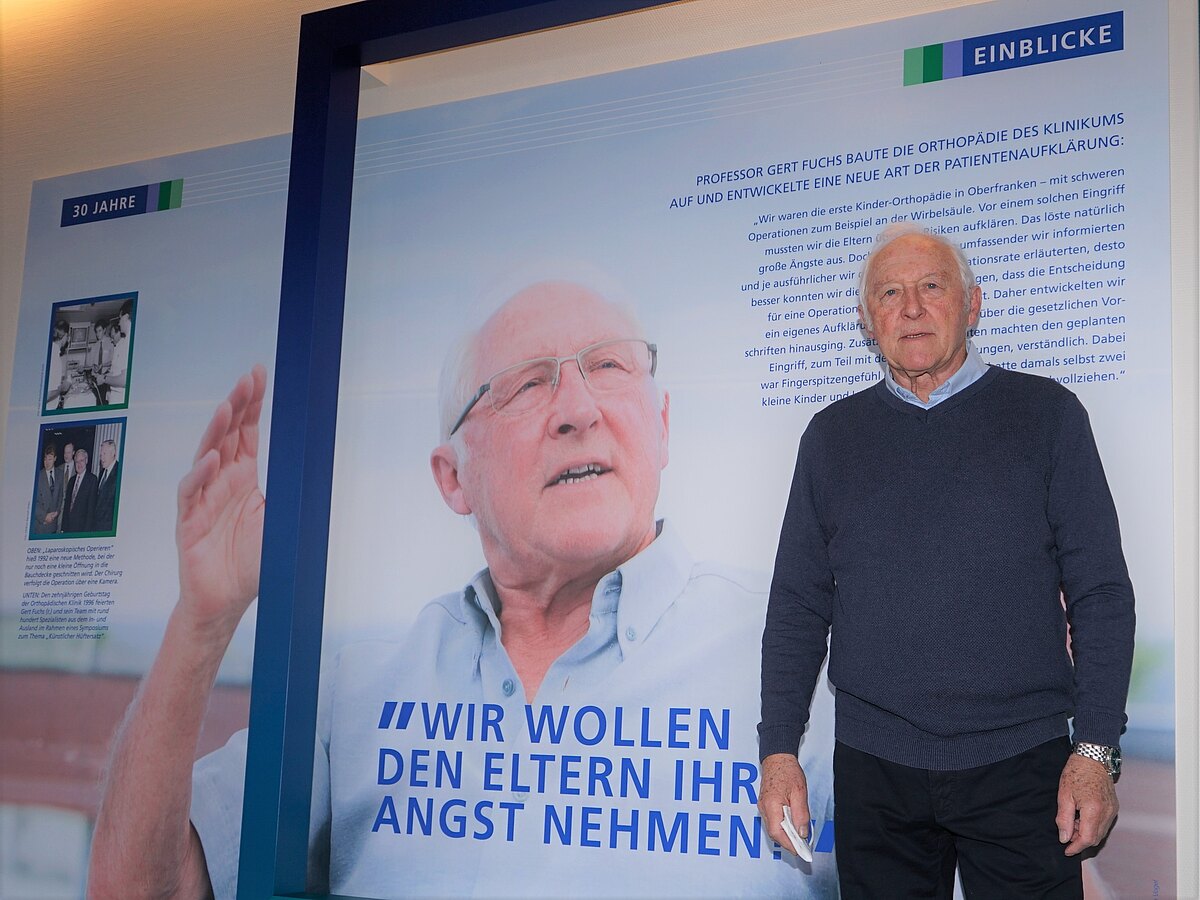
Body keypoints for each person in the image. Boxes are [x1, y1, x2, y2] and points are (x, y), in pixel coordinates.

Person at [89, 282, 837, 899]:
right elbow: (138, 890)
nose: (579, 410)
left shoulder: (818, 667)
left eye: (608, 366)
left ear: (662, 426)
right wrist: (202, 620)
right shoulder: (359, 693)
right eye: (528, 384)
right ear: (453, 478)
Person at [757, 222, 1135, 899]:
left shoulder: (1048, 416)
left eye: (931, 287)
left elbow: (1100, 592)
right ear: (866, 320)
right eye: (889, 293)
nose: (910, 308)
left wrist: (1096, 748)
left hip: (1023, 766)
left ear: (972, 304)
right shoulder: (831, 438)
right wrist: (779, 751)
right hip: (875, 769)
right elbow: (797, 606)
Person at [60, 447, 99, 534]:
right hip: (68, 529)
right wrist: (63, 528)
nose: (79, 464)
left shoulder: (92, 480)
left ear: (86, 461)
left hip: (82, 529)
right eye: (77, 461)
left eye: (81, 460)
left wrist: (86, 533)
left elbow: (91, 510)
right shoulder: (71, 480)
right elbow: (67, 507)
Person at [32, 443, 64, 535]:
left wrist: (57, 512)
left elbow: (60, 496)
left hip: (53, 524)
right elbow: (33, 501)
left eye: (50, 459)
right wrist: (44, 517)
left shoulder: (60, 474)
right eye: (45, 459)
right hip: (40, 524)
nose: (47, 462)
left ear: (55, 458)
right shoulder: (37, 476)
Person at [92, 439, 121, 532]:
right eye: (101, 455)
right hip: (97, 527)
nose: (102, 458)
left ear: (113, 453)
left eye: (104, 454)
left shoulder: (119, 472)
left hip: (108, 529)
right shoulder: (102, 473)